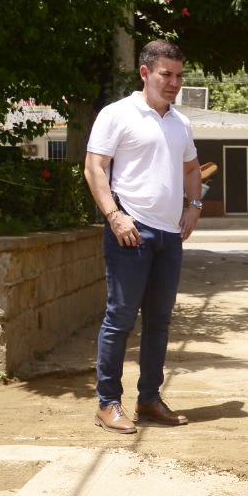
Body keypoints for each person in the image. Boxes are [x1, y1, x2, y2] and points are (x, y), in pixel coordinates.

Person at [83, 39, 202, 433]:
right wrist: (115, 216)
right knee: (119, 318)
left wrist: (193, 206)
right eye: (166, 74)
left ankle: (149, 399)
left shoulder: (180, 122)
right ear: (145, 73)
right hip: (130, 233)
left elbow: (191, 168)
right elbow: (94, 169)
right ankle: (107, 403)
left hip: (169, 237)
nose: (174, 83)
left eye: (179, 75)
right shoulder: (117, 114)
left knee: (159, 321)